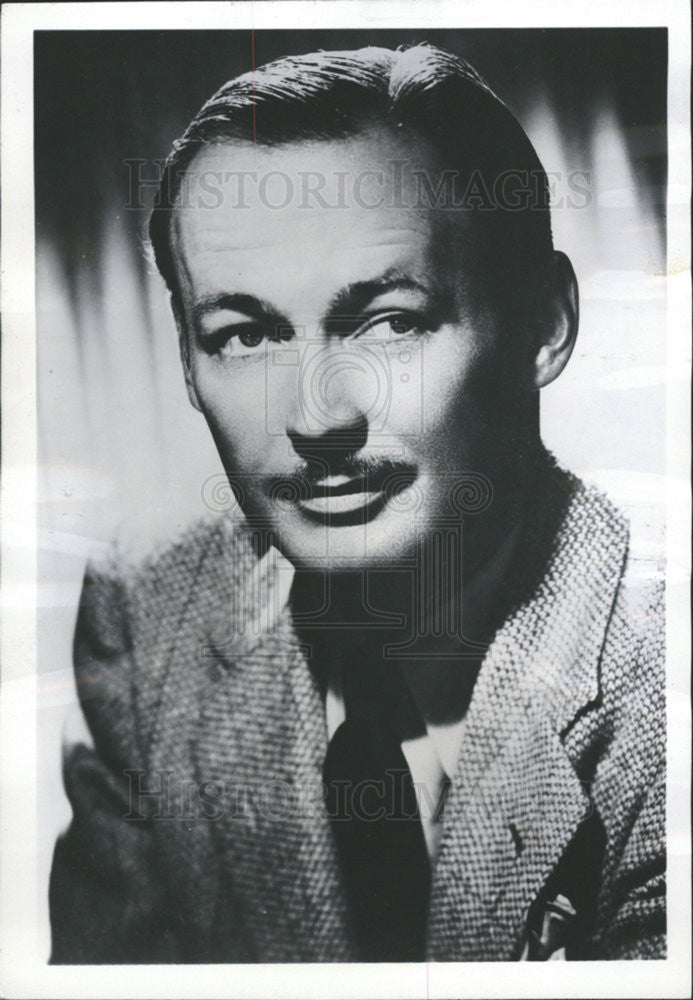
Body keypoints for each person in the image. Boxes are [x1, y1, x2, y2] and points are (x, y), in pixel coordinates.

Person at [49, 43, 665, 963]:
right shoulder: (149, 618)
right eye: (246, 333)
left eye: (388, 321)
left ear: (545, 324)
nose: (315, 417)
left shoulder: (662, 665)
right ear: (187, 363)